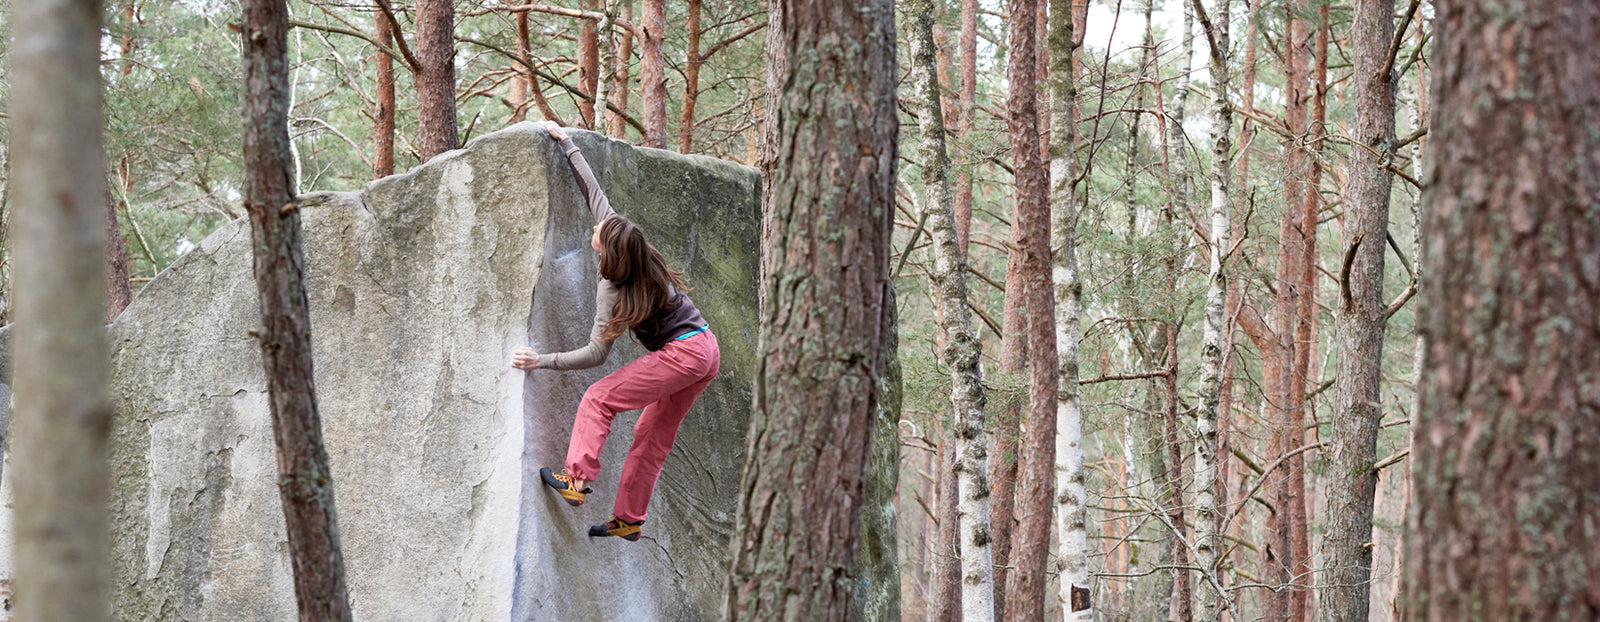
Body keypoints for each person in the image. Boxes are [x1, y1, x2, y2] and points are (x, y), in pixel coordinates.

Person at [512, 121, 720, 542]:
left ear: (609, 251)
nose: (594, 229)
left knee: (598, 398)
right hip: (706, 348)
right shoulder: (634, 246)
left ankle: (576, 481)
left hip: (683, 354)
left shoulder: (612, 290)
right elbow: (595, 195)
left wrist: (542, 361)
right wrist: (566, 142)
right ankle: (629, 519)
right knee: (650, 439)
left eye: (598, 234)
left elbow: (595, 355)